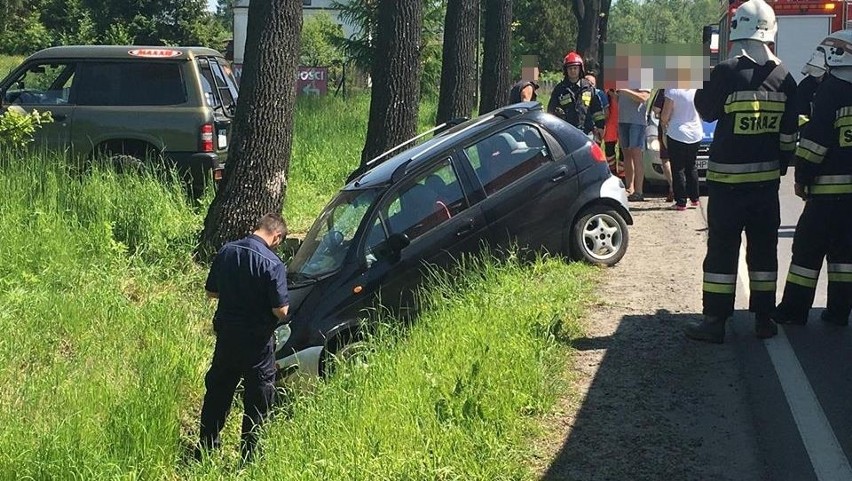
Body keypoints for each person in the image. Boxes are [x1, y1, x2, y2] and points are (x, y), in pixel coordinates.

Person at [686, 0, 798, 343]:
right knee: (764, 253)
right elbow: (789, 137)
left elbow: (705, 111)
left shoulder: (726, 72)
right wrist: (776, 168)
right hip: (765, 188)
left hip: (726, 186)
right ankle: (765, 319)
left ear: (737, 31)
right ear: (771, 32)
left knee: (722, 251)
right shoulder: (785, 78)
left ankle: (715, 322)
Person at [196, 213, 290, 462]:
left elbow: (211, 292)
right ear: (277, 236)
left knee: (218, 392)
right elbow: (281, 311)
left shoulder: (227, 251)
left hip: (227, 337)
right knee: (257, 399)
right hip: (257, 343)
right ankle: (249, 458)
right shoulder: (273, 263)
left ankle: (206, 448)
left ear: (257, 227)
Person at [775, 29, 852, 327]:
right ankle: (838, 312)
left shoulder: (831, 90)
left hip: (826, 194)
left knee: (806, 252)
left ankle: (793, 312)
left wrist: (802, 175)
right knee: (845, 257)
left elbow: (815, 142)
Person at [660, 87, 703, 210]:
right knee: (692, 166)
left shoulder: (672, 91)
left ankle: (681, 201)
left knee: (678, 167)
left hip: (677, 132)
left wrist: (664, 123)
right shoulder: (696, 89)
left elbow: (665, 115)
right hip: (695, 131)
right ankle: (695, 198)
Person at [547, 51, 605, 140]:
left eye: (575, 68)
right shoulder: (560, 89)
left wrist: (600, 126)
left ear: (580, 69)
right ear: (565, 70)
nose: (573, 71)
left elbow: (597, 110)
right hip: (566, 132)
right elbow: (551, 110)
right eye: (570, 68)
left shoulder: (588, 88)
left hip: (586, 132)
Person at [616, 87, 651, 201]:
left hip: (637, 122)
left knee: (636, 154)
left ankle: (639, 191)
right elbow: (619, 99)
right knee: (626, 154)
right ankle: (629, 188)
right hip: (622, 120)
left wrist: (624, 90)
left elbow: (643, 97)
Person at [650, 89, 674, 202]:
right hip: (689, 129)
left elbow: (656, 109)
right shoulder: (692, 89)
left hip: (666, 128)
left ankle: (673, 186)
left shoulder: (665, 90)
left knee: (666, 159)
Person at [603, 88, 623, 177]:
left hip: (624, 121)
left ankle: (623, 174)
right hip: (610, 121)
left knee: (623, 149)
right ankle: (612, 172)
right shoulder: (608, 90)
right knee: (609, 148)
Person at [584, 73, 609, 137]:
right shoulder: (581, 92)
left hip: (596, 127)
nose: (591, 86)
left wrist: (600, 125)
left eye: (592, 83)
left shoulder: (600, 93)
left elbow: (606, 111)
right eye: (588, 83)